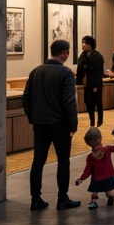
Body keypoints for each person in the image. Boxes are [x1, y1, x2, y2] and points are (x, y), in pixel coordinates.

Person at [22, 40, 81, 210]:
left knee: (38, 161)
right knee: (63, 160)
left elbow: (26, 98)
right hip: (60, 125)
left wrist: (33, 118)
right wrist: (73, 125)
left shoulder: (35, 72)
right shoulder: (66, 73)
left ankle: (35, 199)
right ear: (64, 53)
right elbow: (69, 101)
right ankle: (62, 198)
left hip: (40, 124)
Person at [74, 127, 114, 209]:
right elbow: (88, 170)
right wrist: (81, 179)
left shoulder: (106, 150)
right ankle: (94, 202)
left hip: (108, 177)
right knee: (94, 191)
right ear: (99, 139)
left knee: (110, 193)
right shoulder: (90, 157)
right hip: (96, 178)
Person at [75, 36, 105, 128]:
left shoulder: (98, 56)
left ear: (90, 45)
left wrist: (86, 67)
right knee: (88, 102)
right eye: (83, 43)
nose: (83, 46)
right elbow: (80, 67)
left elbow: (97, 71)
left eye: (86, 44)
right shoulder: (83, 55)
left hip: (96, 83)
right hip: (87, 83)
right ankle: (92, 121)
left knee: (97, 102)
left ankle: (100, 120)